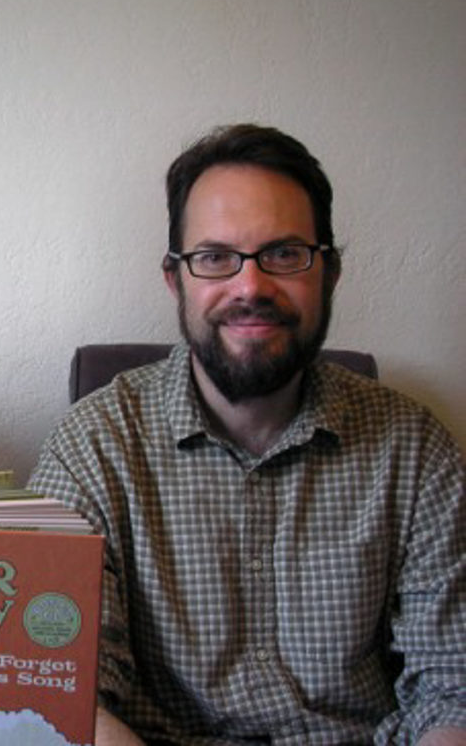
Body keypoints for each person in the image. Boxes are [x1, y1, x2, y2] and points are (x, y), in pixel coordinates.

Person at [28, 124, 465, 745]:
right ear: (175, 279)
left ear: (330, 273)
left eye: (285, 254)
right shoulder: (91, 448)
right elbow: (64, 691)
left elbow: (454, 686)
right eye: (215, 258)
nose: (251, 286)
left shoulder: (416, 451)